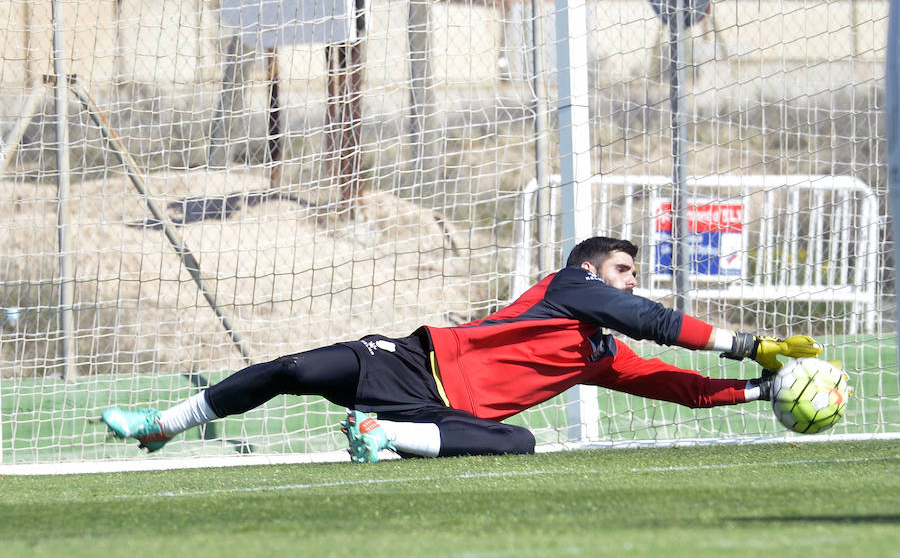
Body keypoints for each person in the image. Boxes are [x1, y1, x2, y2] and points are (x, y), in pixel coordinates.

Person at [101, 236, 822, 461]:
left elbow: (670, 379)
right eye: (624, 268)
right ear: (592, 268)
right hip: (415, 358)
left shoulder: (599, 351)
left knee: (521, 442)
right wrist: (749, 344)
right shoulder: (570, 285)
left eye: (634, 271)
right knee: (293, 368)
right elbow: (654, 320)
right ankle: (165, 421)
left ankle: (379, 435)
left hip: (447, 414)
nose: (632, 280)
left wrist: (763, 390)